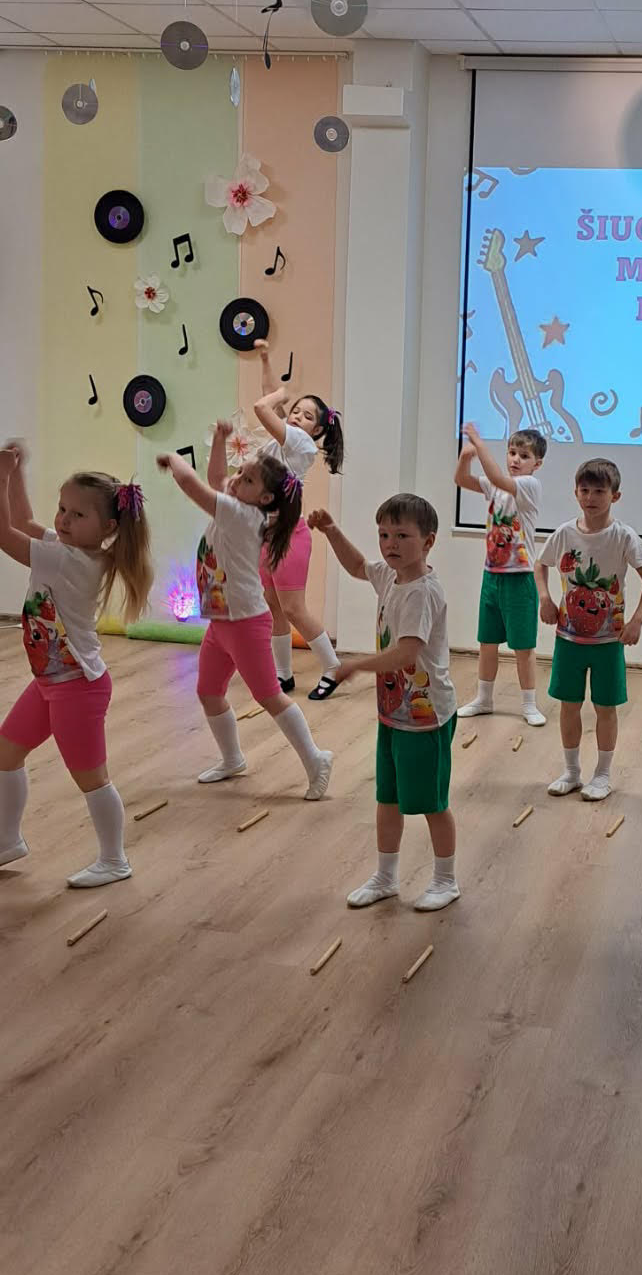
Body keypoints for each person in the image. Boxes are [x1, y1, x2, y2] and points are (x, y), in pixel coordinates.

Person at [0, 442, 152, 889]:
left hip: (76, 686)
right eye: (62, 509)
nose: (63, 519)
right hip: (52, 681)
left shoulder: (68, 560)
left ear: (107, 527)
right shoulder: (69, 548)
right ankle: (7, 841)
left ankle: (114, 859)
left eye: (77, 515)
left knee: (91, 778)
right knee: (5, 753)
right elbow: (25, 521)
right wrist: (18, 474)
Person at [157, 421, 333, 800]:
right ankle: (233, 759)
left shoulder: (241, 515)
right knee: (208, 691)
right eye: (241, 473)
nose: (236, 480)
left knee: (269, 696)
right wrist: (220, 440)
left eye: (247, 479)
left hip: (246, 623)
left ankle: (316, 759)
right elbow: (217, 478)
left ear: (265, 498)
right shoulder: (238, 503)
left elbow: (193, 485)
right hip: (222, 622)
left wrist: (173, 458)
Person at [309, 495, 460, 911]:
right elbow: (358, 566)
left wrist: (355, 666)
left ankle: (445, 880)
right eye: (384, 535)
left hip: (427, 718)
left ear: (428, 542)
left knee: (432, 804)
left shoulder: (421, 593)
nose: (390, 543)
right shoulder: (391, 577)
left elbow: (407, 653)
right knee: (388, 798)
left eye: (402, 536)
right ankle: (386, 877)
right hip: (394, 714)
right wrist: (331, 531)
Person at [534, 457, 642, 803]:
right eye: (585, 490)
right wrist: (545, 599)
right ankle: (571, 771)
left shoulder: (624, 536)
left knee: (605, 708)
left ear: (615, 496)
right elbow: (540, 566)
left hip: (608, 642)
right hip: (568, 639)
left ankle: (602, 774)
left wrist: (637, 621)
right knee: (568, 705)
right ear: (575, 493)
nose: (591, 497)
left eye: (599, 491)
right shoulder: (564, 533)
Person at [251, 340, 345, 700]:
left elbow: (263, 405)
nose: (296, 417)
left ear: (317, 431)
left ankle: (333, 668)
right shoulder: (282, 440)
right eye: (295, 412)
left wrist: (281, 395)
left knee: (293, 608)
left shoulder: (301, 445)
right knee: (273, 605)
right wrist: (264, 358)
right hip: (265, 533)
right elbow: (270, 398)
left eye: (307, 416)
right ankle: (283, 674)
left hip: (289, 535)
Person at [454, 419, 547, 727]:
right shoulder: (496, 485)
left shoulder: (529, 486)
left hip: (520, 578)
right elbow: (461, 479)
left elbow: (495, 475)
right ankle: (484, 698)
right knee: (487, 642)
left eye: (524, 456)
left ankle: (529, 704)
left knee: (523, 646)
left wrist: (479, 443)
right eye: (512, 453)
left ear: (537, 464)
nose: (515, 460)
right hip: (492, 575)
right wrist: (465, 458)